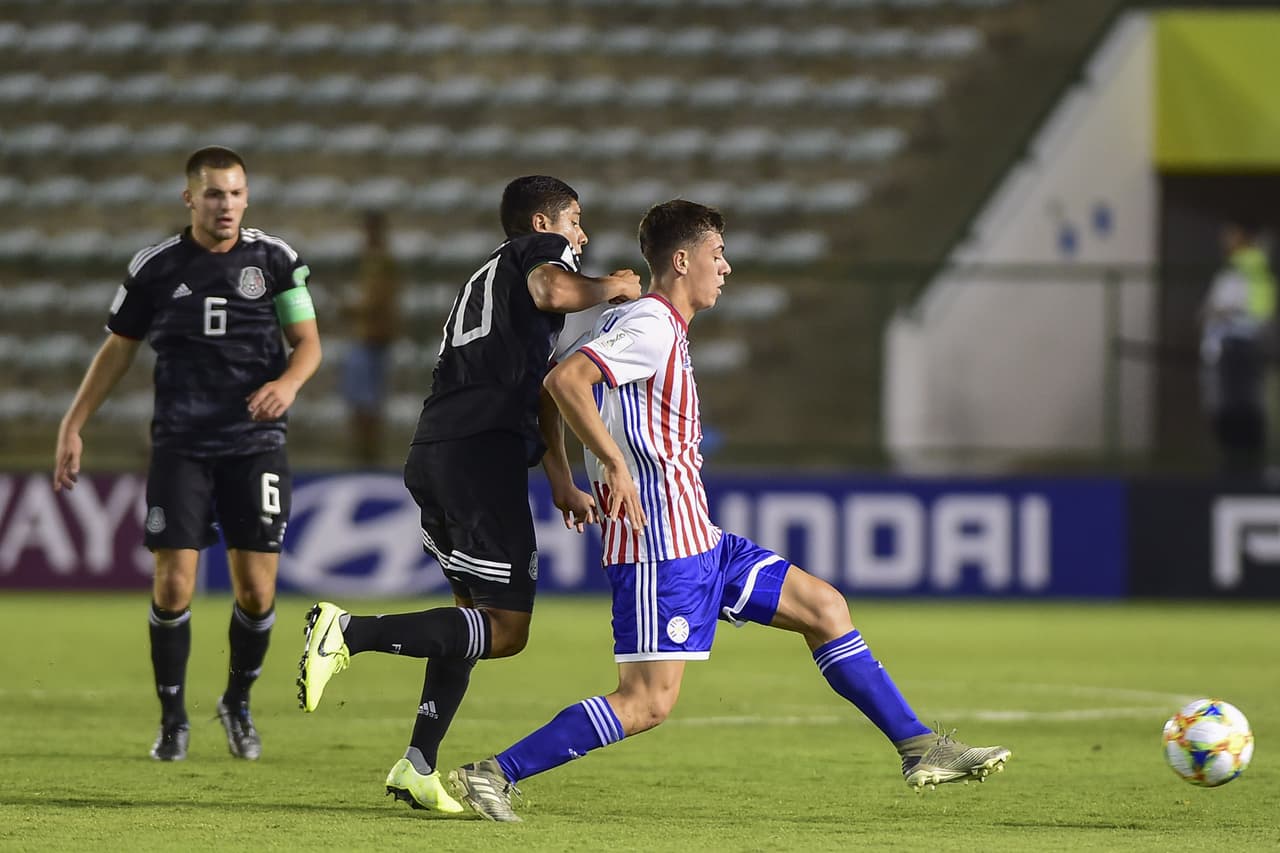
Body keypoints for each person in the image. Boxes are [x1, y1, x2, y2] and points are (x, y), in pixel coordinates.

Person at [446, 200, 1012, 822]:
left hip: (702, 541)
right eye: (717, 255)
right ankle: (494, 772)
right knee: (646, 703)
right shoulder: (652, 326)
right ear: (682, 261)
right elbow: (564, 384)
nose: (727, 268)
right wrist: (607, 463)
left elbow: (554, 380)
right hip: (661, 548)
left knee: (825, 607)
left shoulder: (645, 322)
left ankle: (919, 747)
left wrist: (562, 476)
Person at [297, 176, 642, 813]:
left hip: (441, 449)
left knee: (470, 619)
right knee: (507, 631)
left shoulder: (488, 277)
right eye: (574, 221)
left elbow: (543, 386)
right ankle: (348, 632)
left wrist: (560, 477)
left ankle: (418, 763)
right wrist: (615, 286)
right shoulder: (535, 261)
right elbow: (555, 287)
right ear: (543, 225)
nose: (582, 235)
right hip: (479, 456)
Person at [52, 146, 322, 762]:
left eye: (234, 193)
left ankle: (237, 702)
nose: (224, 205)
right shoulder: (156, 267)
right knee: (174, 584)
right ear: (189, 199)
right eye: (213, 194)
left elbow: (307, 343)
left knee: (257, 592)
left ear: (246, 197)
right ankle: (173, 717)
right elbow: (118, 350)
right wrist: (74, 422)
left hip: (255, 446)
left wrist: (288, 383)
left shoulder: (275, 260)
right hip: (181, 445)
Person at [1200, 219, 1277, 477]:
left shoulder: (1243, 267)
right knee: (1242, 406)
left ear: (1242, 236)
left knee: (1237, 408)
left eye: (1230, 234)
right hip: (1243, 344)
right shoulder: (1252, 266)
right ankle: (1243, 464)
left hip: (1238, 344)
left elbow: (1227, 307)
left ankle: (1239, 467)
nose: (1225, 239)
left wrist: (1212, 312)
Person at [341, 210, 401, 466]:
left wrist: (349, 308)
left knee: (366, 403)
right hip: (369, 338)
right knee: (363, 401)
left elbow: (375, 301)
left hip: (370, 339)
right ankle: (364, 454)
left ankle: (367, 457)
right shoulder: (374, 262)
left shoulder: (379, 263)